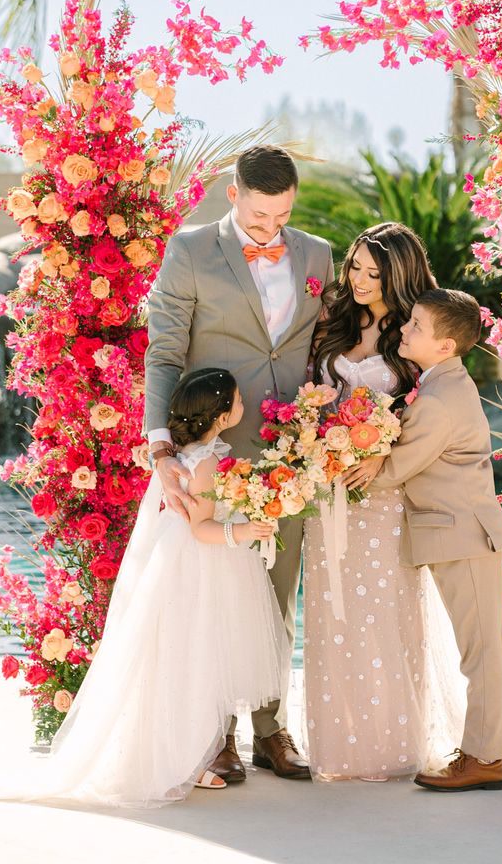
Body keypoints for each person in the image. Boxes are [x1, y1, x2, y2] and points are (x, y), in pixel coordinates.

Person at [0, 368, 287, 809]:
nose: (244, 405)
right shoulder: (204, 465)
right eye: (238, 401)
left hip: (177, 565)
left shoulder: (185, 455)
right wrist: (244, 532)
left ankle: (189, 754)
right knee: (197, 661)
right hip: (199, 568)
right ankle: (180, 761)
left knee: (180, 660)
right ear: (221, 416)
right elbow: (202, 527)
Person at [145, 144, 333, 782]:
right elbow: (165, 349)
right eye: (258, 216)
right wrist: (161, 444)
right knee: (215, 595)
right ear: (233, 194)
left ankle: (271, 729)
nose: (271, 228)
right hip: (214, 454)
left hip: (291, 452)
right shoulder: (191, 250)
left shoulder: (317, 255)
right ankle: (214, 734)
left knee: (278, 594)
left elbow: (322, 348)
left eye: (281, 215)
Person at [345, 289, 502, 791]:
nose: (405, 329)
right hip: (465, 533)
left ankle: (481, 758)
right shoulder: (444, 385)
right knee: (491, 648)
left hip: (460, 536)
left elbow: (394, 470)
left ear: (446, 346)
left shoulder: (437, 401)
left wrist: (355, 461)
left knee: (478, 654)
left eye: (416, 326)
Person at [303, 222, 441, 781]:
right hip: (324, 489)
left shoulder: (414, 333)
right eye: (355, 267)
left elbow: (428, 410)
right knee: (330, 614)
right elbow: (308, 394)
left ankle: (392, 747)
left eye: (374, 272)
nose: (360, 280)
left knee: (384, 615)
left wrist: (383, 454)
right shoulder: (334, 320)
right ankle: (339, 750)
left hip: (383, 497)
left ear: (398, 274)